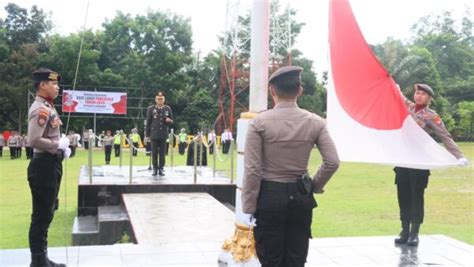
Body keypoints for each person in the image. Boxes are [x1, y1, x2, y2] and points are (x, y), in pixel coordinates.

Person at [242, 66, 340, 267]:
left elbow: (252, 169)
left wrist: (249, 205)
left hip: (269, 196)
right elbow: (332, 162)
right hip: (300, 196)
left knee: (270, 258)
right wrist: (313, 186)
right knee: (296, 258)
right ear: (300, 90)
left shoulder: (259, 123)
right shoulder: (316, 122)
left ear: (272, 91)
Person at [394, 84, 469, 246]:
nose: (418, 96)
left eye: (422, 94)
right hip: (403, 160)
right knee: (403, 196)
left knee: (416, 197)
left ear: (429, 98)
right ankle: (404, 231)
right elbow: (399, 96)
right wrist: (394, 86)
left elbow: (445, 136)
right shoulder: (409, 107)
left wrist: (459, 156)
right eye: (417, 93)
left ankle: (414, 233)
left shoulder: (431, 115)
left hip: (420, 162)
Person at [27, 68, 71, 267]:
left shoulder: (48, 106)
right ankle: (38, 262)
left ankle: (42, 259)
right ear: (43, 85)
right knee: (41, 216)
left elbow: (49, 134)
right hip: (43, 167)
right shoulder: (41, 109)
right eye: (53, 84)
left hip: (50, 164)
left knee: (47, 212)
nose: (57, 88)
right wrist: (57, 146)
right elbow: (34, 139)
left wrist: (63, 146)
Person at [145, 92, 173, 176]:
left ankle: (161, 168)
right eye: (158, 99)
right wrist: (147, 135)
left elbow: (172, 121)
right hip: (154, 134)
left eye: (161, 99)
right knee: (154, 153)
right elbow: (148, 123)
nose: (160, 100)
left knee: (162, 153)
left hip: (163, 134)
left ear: (164, 100)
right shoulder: (151, 109)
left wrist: (169, 121)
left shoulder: (167, 108)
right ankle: (154, 168)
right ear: (155, 99)